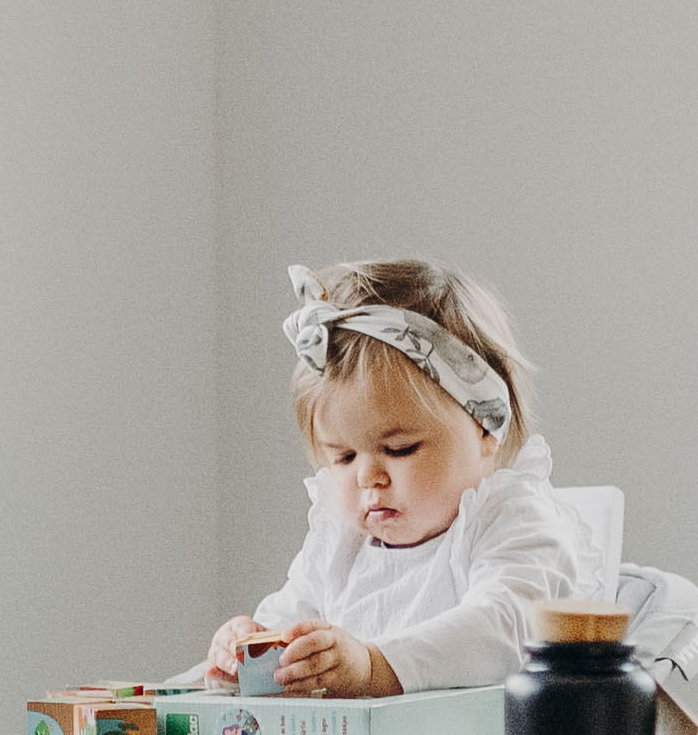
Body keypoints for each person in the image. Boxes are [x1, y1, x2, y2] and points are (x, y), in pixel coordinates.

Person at [202, 256, 575, 697]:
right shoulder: (342, 544)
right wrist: (248, 649)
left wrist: (372, 666)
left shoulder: (509, 520)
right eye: (343, 457)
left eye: (400, 449)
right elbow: (289, 626)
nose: (368, 477)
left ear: (485, 427)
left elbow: (505, 628)